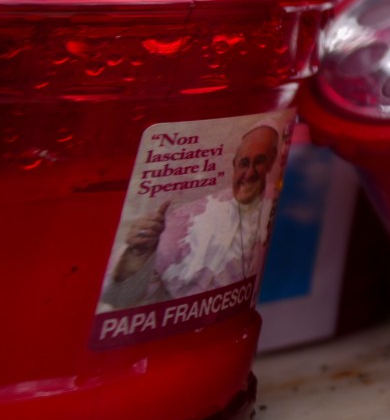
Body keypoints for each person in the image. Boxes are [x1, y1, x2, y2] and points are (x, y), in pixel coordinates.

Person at [101, 123, 282, 309]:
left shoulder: (274, 199)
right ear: (234, 164)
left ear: (272, 160)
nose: (250, 173)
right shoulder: (193, 218)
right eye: (244, 163)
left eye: (259, 161)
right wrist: (137, 254)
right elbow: (119, 297)